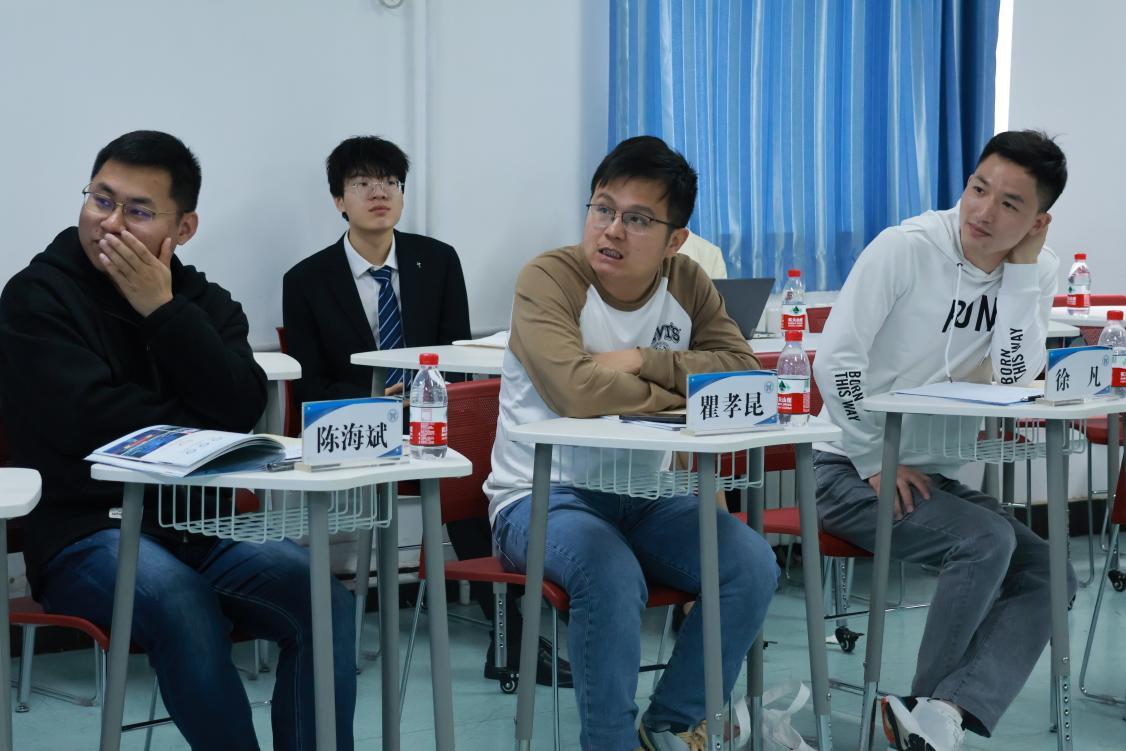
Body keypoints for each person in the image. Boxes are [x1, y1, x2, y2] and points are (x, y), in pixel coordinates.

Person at [0, 131, 356, 751]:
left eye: (138, 211)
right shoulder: (36, 297)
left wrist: (163, 311)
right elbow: (87, 422)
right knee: (181, 603)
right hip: (84, 535)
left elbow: (241, 406)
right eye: (100, 199)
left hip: (200, 529)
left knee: (325, 602)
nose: (110, 222)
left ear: (183, 227)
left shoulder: (204, 304)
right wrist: (196, 417)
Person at [484, 135, 778, 750]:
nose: (612, 230)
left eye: (638, 219)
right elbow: (575, 390)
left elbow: (741, 372)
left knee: (750, 564)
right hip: (541, 497)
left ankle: (668, 726)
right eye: (603, 209)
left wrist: (644, 358)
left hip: (647, 496)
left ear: (675, 239)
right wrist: (679, 394)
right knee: (608, 572)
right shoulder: (549, 277)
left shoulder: (687, 281)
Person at [812, 129, 1077, 751]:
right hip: (843, 468)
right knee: (985, 540)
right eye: (978, 189)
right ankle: (925, 718)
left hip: (930, 479)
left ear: (1038, 222)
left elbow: (1014, 376)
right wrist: (872, 457)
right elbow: (836, 361)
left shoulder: (1037, 270)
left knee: (1051, 570)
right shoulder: (904, 249)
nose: (983, 211)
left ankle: (940, 713)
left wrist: (1020, 274)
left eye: (1010, 204)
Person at [282, 135, 570, 687]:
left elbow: (457, 360)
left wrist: (425, 400)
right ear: (338, 199)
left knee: (477, 468)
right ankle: (514, 636)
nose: (379, 193)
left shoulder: (436, 260)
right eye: (363, 183)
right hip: (360, 427)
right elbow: (310, 384)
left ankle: (518, 632)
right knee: (459, 471)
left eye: (390, 182)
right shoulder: (306, 279)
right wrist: (377, 400)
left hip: (433, 420)